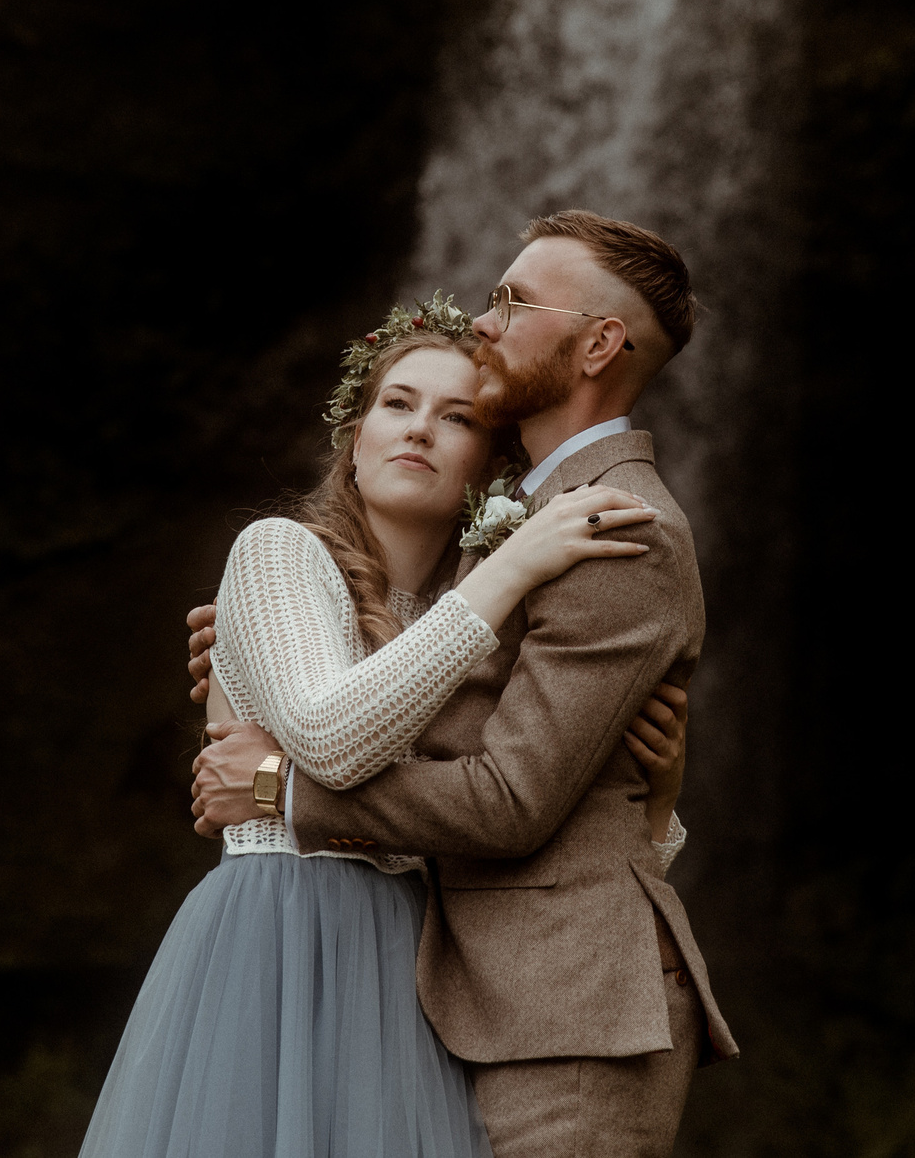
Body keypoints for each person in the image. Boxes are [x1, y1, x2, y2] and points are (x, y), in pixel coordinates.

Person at [77, 292, 693, 1158]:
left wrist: (659, 800)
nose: (418, 430)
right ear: (354, 439)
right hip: (281, 937)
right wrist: (513, 565)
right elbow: (331, 737)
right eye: (396, 404)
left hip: (425, 969)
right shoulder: (279, 553)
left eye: (457, 416)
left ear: (489, 464)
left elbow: (514, 809)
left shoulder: (476, 623)